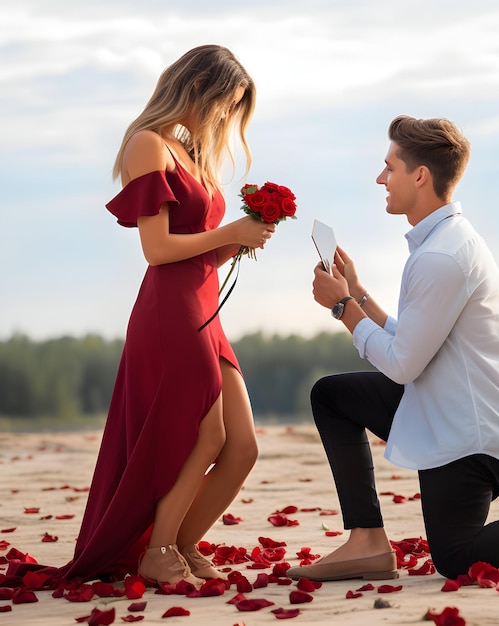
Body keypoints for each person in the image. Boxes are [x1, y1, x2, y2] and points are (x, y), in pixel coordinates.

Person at [286, 115, 499, 582]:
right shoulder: (442, 244)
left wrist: (343, 307)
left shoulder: (441, 256)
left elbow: (403, 365)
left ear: (420, 175)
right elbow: (418, 340)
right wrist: (360, 295)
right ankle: (366, 539)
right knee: (332, 395)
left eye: (390, 168)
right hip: (445, 407)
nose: (380, 179)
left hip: (471, 434)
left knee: (456, 557)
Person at [60, 45, 273, 587]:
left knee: (242, 445)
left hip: (205, 307)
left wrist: (243, 240)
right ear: (198, 87)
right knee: (206, 436)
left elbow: (199, 250)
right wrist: (230, 234)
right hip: (171, 310)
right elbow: (156, 250)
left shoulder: (189, 152)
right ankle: (159, 551)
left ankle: (179, 543)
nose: (226, 117)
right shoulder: (147, 144)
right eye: (226, 103)